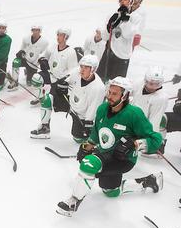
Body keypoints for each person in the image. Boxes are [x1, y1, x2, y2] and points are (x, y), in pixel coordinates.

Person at [56, 76, 163, 217]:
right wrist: (87, 145)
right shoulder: (102, 109)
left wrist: (135, 144)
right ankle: (148, 181)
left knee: (90, 165)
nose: (109, 96)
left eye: (114, 94)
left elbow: (156, 139)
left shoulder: (134, 114)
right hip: (105, 153)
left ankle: (73, 201)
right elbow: (96, 132)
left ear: (124, 96)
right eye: (109, 92)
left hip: (124, 159)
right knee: (110, 191)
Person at [30, 54, 104, 142]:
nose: (82, 70)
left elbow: (93, 108)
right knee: (48, 99)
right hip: (70, 103)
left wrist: (88, 124)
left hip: (81, 115)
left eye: (86, 67)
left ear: (93, 69)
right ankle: (44, 128)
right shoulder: (77, 72)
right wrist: (62, 85)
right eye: (81, 66)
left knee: (78, 139)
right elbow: (65, 80)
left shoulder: (98, 87)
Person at [96, 0, 139, 82]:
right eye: (121, 0)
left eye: (125, 0)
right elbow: (105, 37)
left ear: (130, 1)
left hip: (122, 55)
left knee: (117, 83)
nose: (123, 2)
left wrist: (125, 20)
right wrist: (109, 27)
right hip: (109, 52)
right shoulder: (113, 15)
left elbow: (127, 34)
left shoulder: (135, 17)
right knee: (101, 79)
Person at [130, 66, 168, 154]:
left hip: (143, 122)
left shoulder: (161, 98)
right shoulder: (139, 83)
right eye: (151, 83)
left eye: (157, 84)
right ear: (145, 80)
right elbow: (127, 92)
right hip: (132, 113)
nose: (153, 87)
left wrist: (151, 140)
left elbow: (155, 119)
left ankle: (160, 142)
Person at [37, 27, 79, 107]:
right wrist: (42, 61)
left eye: (61, 35)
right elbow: (43, 57)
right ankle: (39, 97)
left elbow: (73, 71)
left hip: (60, 81)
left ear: (66, 37)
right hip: (50, 75)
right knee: (37, 78)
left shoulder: (71, 52)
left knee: (53, 101)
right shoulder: (52, 47)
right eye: (58, 35)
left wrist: (65, 80)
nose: (58, 37)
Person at [10, 25, 49, 90]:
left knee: (29, 83)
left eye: (37, 30)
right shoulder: (26, 38)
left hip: (34, 63)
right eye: (34, 30)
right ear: (32, 30)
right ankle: (14, 82)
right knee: (16, 62)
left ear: (40, 31)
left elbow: (43, 54)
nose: (35, 32)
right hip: (25, 59)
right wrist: (20, 52)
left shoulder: (44, 42)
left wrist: (41, 61)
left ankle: (28, 72)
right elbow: (22, 48)